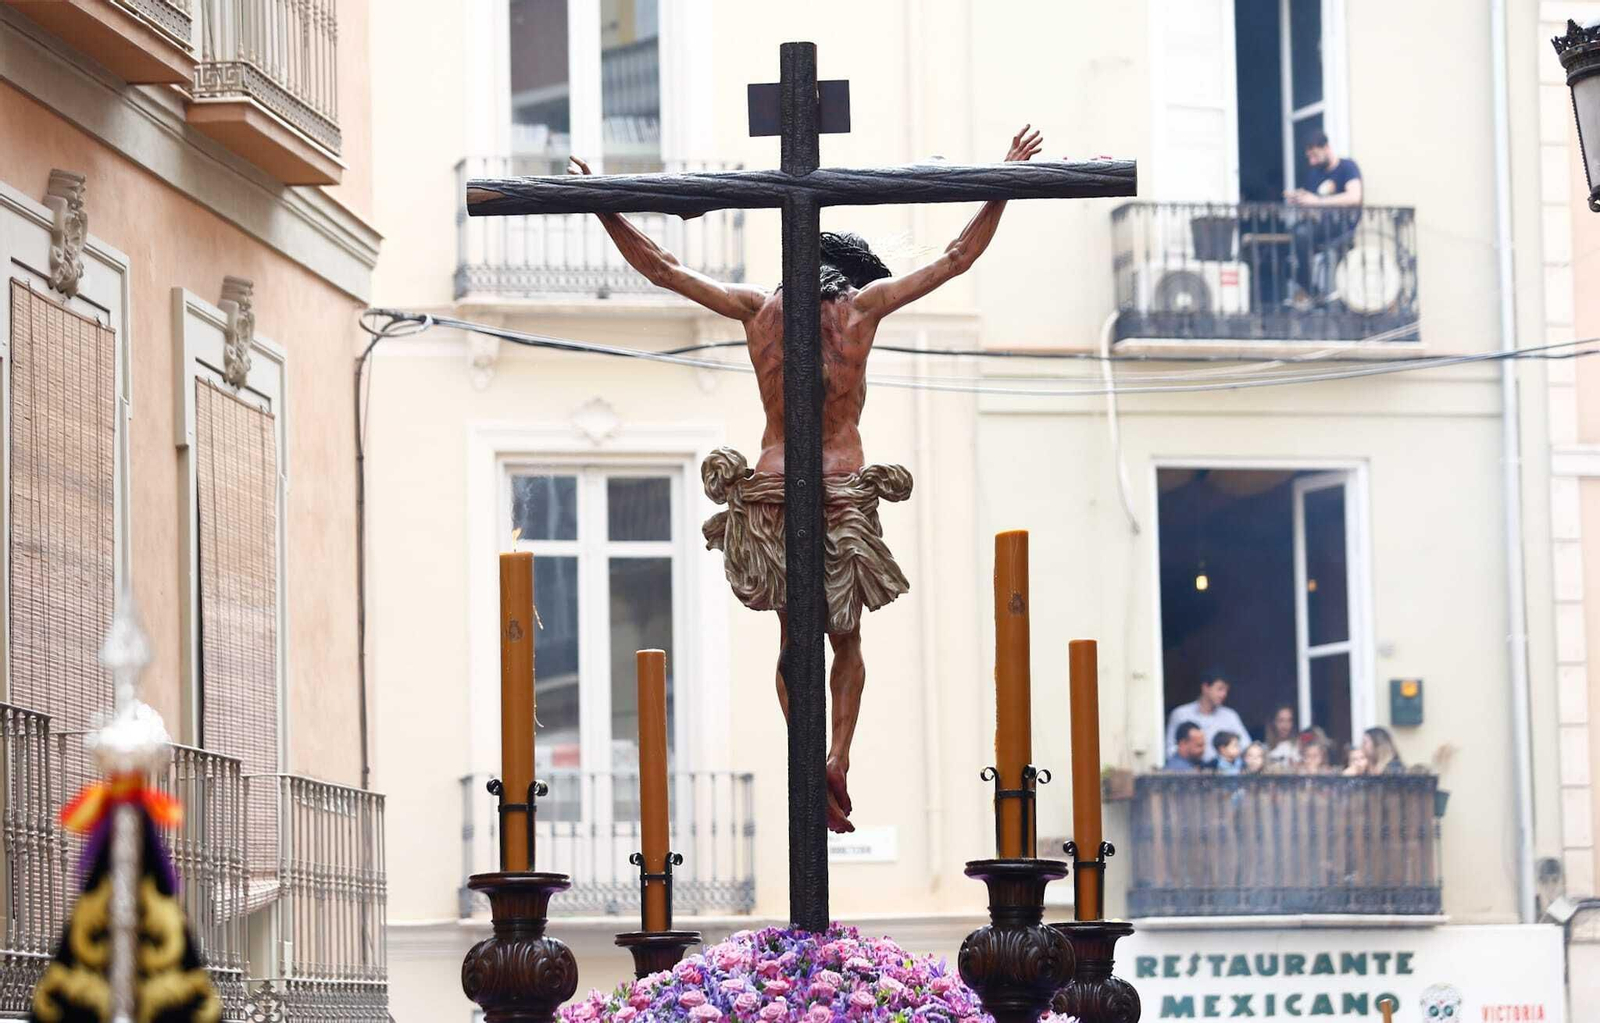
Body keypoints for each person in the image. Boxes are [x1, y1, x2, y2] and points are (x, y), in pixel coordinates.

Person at [573, 126, 1047, 834]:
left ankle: (804, 755)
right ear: (844, 274)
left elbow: (664, 268)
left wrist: (602, 205)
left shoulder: (755, 311)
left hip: (769, 491)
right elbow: (955, 258)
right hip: (842, 488)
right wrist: (1003, 182)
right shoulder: (862, 309)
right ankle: (837, 754)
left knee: (793, 640)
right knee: (846, 640)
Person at [1283, 132, 1363, 308]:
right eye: (1309, 157)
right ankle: (1312, 292)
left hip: (1341, 224)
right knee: (1291, 239)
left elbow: (1355, 196)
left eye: (1315, 155)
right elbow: (1312, 204)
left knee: (1301, 234)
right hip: (1318, 225)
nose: (1312, 161)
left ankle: (1313, 293)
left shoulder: (1347, 167)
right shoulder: (1314, 174)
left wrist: (1318, 201)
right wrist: (1301, 200)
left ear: (1326, 148)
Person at [1165, 671, 1252, 762]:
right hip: (1188, 773)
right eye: (1220, 689)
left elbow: (1246, 747)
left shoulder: (1230, 716)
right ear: (1205, 688)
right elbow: (1170, 750)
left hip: (1222, 773)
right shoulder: (1181, 714)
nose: (1224, 694)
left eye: (1226, 690)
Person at [1263, 703, 1301, 767]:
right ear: (1273, 722)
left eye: (1289, 720)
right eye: (1281, 720)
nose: (1285, 726)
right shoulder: (1265, 748)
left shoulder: (1299, 747)